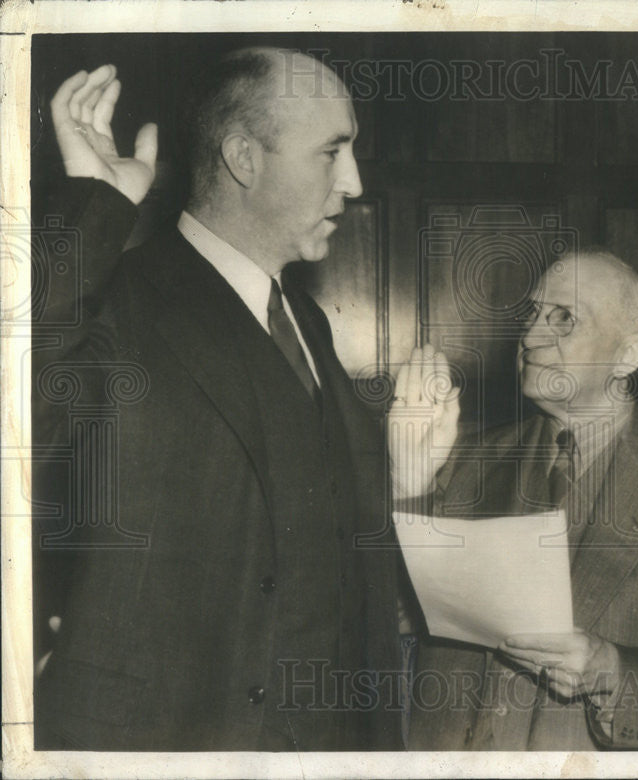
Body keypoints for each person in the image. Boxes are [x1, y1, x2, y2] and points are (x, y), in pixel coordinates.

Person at [32, 48, 403, 750]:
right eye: (333, 152)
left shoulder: (307, 322)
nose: (353, 182)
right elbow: (22, 420)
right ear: (244, 157)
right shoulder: (118, 296)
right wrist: (94, 205)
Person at [389, 249, 638, 750]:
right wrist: (409, 487)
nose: (531, 336)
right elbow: (390, 618)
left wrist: (612, 670)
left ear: (630, 354)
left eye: (565, 318)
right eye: (532, 314)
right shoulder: (462, 459)